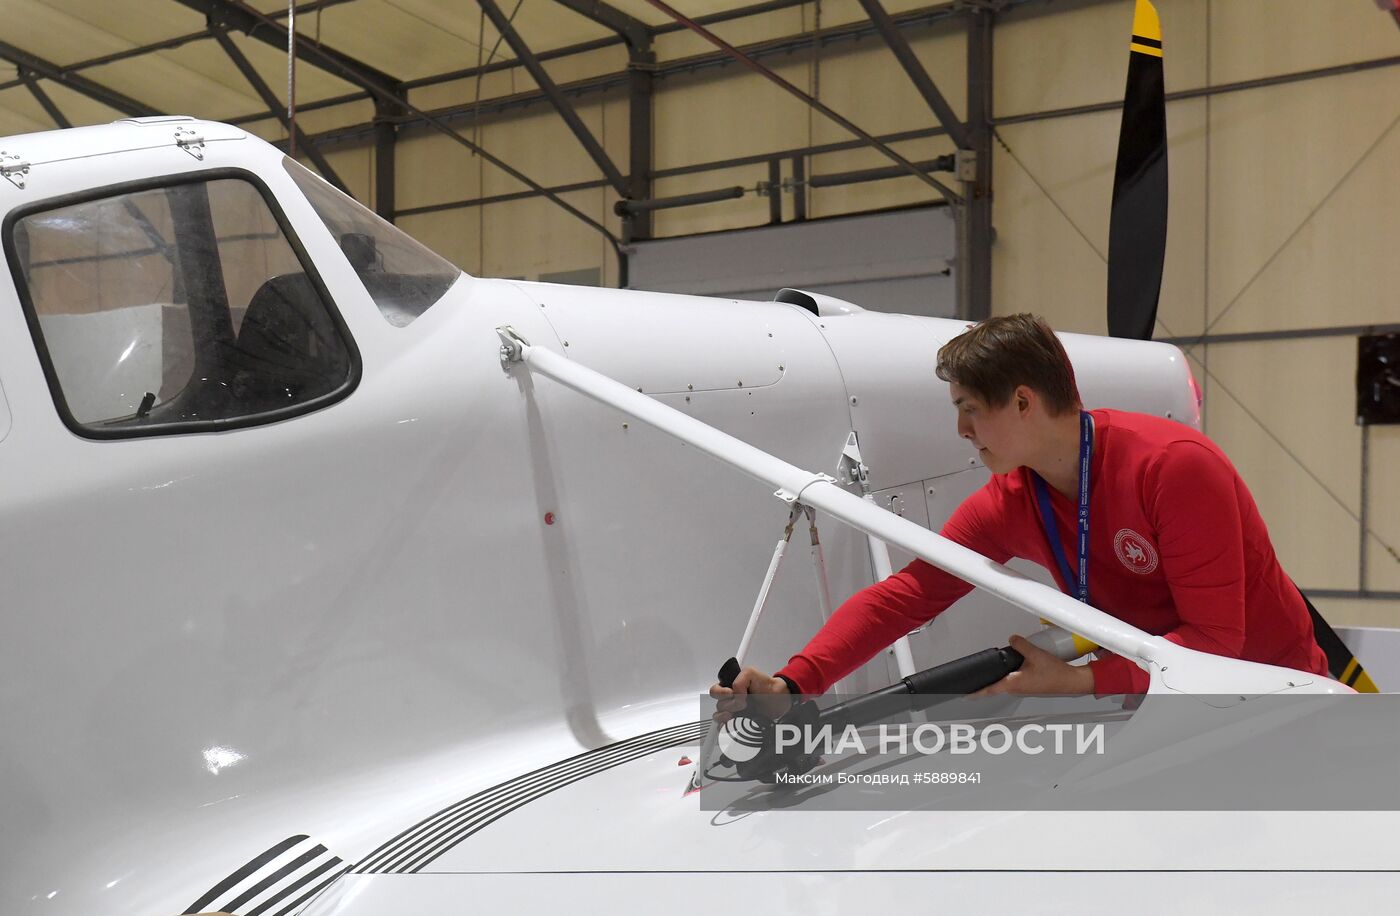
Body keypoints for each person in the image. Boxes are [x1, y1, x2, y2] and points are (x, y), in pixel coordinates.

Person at [713, 314, 1328, 711]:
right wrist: (795, 685)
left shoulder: (1173, 468)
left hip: (1274, 696)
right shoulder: (1012, 500)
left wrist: (1082, 681)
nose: (961, 430)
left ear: (1024, 402)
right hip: (1164, 700)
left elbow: (1217, 643)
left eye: (971, 408)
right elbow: (908, 595)